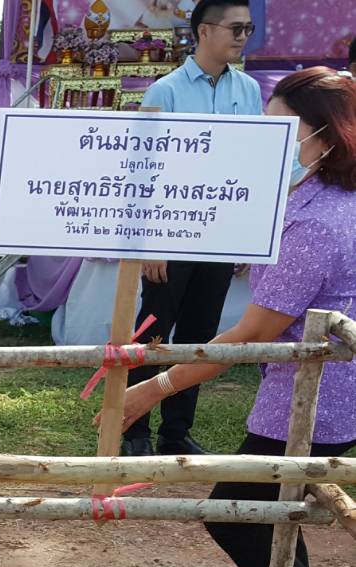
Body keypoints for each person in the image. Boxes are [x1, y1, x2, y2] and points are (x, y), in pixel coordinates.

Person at [112, 69, 356, 567]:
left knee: (234, 514)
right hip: (316, 391)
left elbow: (250, 334)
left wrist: (155, 387)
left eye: (282, 133)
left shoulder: (315, 223)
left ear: (327, 139)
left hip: (315, 397)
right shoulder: (329, 204)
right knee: (276, 510)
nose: (268, 147)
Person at [122, 0, 264, 458]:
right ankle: (134, 428)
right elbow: (143, 171)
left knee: (203, 338)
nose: (244, 36)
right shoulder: (166, 90)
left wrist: (245, 234)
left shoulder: (249, 90)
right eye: (236, 28)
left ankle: (176, 433)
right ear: (205, 31)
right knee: (154, 333)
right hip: (169, 235)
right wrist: (149, 243)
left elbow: (250, 168)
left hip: (221, 235)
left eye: (249, 28)